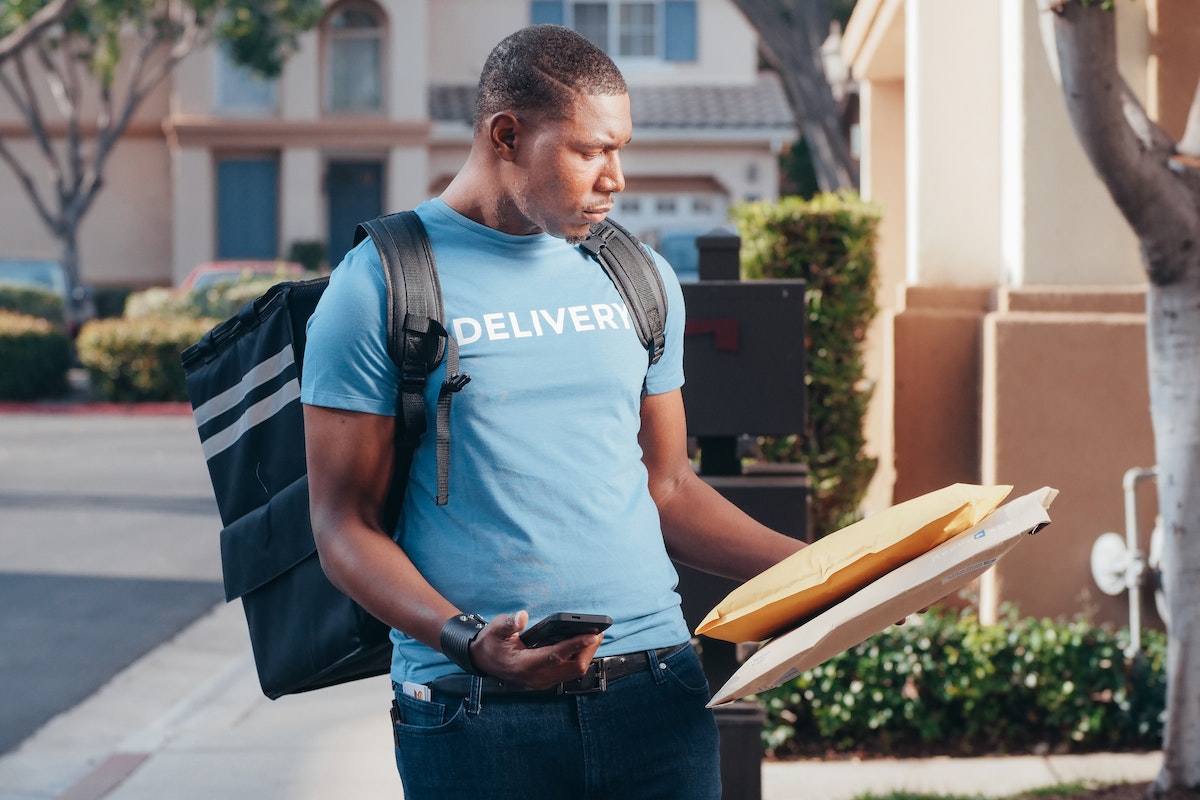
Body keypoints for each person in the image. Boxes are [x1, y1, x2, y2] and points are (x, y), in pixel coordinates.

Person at [300, 23, 805, 799]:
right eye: (589, 150)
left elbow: (667, 488)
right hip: (473, 716)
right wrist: (469, 642)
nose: (617, 178)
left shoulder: (638, 275)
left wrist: (827, 573)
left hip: (658, 696)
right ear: (507, 134)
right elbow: (344, 528)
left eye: (621, 149)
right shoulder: (380, 287)